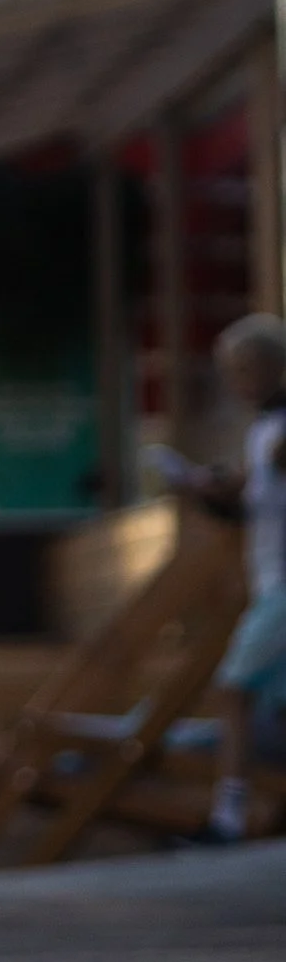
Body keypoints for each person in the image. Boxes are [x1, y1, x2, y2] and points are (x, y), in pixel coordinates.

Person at [173, 314, 286, 841]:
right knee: (272, 706)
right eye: (233, 373)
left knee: (233, 689)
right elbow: (253, 500)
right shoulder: (262, 430)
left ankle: (229, 816)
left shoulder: (279, 430)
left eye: (249, 369)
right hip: (267, 578)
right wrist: (212, 492)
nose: (241, 383)